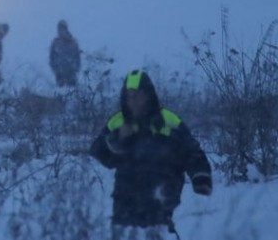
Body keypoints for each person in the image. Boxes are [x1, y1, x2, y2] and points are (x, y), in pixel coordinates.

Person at [90, 70, 212, 240]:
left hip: (161, 203)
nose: (133, 101)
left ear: (148, 95)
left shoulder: (169, 121)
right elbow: (98, 151)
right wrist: (118, 138)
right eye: (129, 96)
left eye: (137, 95)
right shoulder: (117, 122)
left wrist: (200, 177)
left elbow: (192, 152)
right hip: (125, 206)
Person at [49, 19, 81, 86]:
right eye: (59, 29)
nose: (61, 31)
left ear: (66, 29)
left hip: (71, 75)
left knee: (72, 90)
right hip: (60, 76)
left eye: (62, 29)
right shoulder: (55, 43)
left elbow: (77, 58)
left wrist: (74, 69)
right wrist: (56, 71)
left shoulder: (73, 43)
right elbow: (51, 59)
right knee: (61, 90)